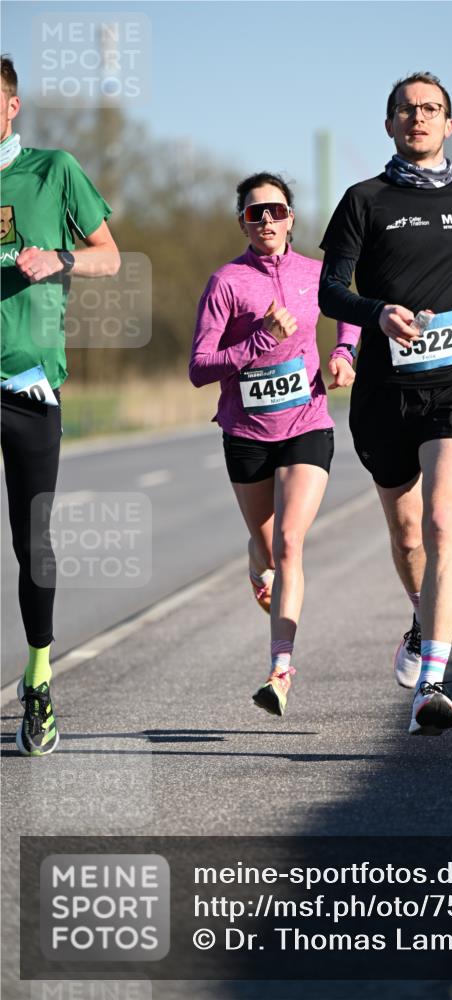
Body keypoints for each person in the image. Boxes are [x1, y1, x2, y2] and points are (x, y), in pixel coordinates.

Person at [318, 72, 452, 735]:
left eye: (430, 110)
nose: (418, 118)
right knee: (408, 534)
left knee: (441, 521)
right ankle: (422, 617)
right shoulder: (363, 200)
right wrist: (375, 314)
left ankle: (431, 685)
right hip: (385, 390)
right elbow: (329, 291)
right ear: (388, 124)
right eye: (406, 110)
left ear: (449, 124)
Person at [189, 172, 358, 717]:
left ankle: (280, 671)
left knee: (289, 544)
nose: (267, 220)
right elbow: (198, 368)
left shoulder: (316, 274)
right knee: (265, 548)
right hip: (246, 433)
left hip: (307, 421)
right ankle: (254, 561)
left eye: (276, 211)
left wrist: (344, 356)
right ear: (241, 220)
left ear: (291, 218)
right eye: (255, 212)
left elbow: (348, 317)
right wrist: (259, 340)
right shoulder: (227, 283)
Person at [0, 55, 120, 755]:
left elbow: (110, 253)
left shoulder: (53, 170)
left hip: (29, 390)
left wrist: (61, 258)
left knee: (30, 544)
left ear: (12, 107)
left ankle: (40, 679)